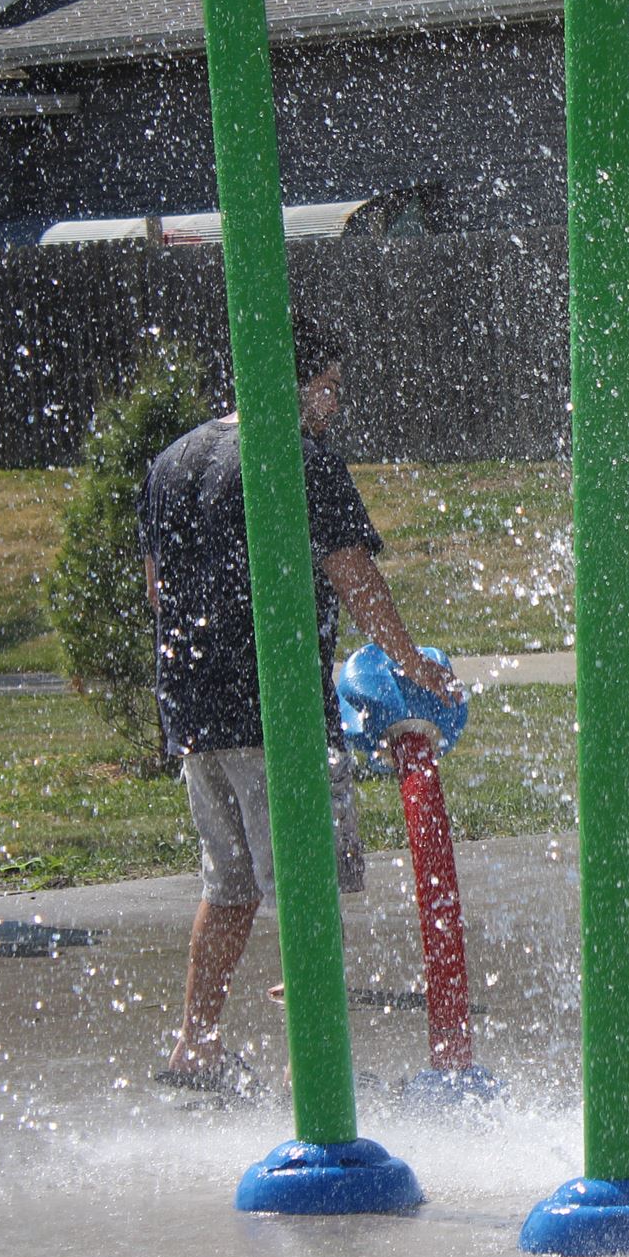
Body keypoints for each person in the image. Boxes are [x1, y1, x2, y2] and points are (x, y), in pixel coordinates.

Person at [139, 316, 459, 1092]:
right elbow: (353, 576)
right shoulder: (302, 458)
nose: (333, 406)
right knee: (307, 891)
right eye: (329, 387)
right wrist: (413, 667)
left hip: (196, 715)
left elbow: (156, 589)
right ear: (294, 381)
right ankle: (316, 1072)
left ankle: (197, 1044)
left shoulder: (172, 460)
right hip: (274, 712)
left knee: (231, 888)